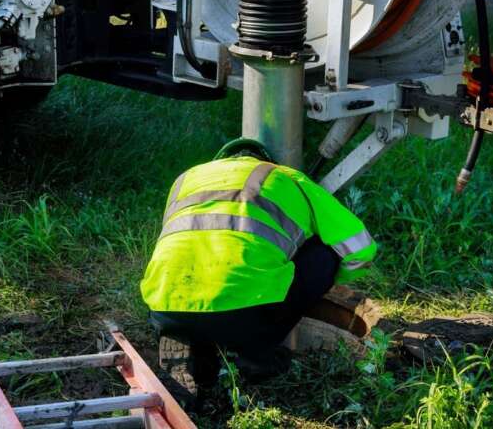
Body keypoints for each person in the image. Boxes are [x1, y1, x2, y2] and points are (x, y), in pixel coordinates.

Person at [140, 138, 377, 402]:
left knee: (192, 274)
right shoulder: (283, 176)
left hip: (165, 304)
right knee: (325, 252)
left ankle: (194, 352)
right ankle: (256, 353)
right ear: (264, 161)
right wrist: (329, 281)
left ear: (220, 162)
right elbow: (360, 248)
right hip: (248, 314)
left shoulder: (185, 179)